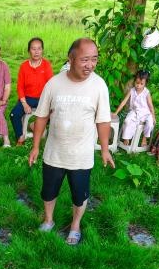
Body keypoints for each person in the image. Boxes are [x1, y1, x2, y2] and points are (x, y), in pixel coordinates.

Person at [28, 37, 115, 246]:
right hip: (54, 153)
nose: (90, 65)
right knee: (49, 191)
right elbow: (41, 117)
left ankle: (75, 225)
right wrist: (36, 146)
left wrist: (104, 150)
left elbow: (103, 120)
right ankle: (48, 220)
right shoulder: (54, 83)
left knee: (79, 195)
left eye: (94, 59)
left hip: (81, 156)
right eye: (85, 60)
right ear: (71, 58)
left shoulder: (99, 85)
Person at [10, 37, 54, 145]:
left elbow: (51, 85)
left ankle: (34, 125)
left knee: (55, 112)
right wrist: (24, 104)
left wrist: (47, 102)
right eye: (33, 49)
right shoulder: (24, 66)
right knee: (13, 114)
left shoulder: (46, 65)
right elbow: (20, 87)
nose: (36, 52)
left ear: (42, 50)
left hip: (43, 98)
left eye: (39, 48)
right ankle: (20, 136)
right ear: (29, 50)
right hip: (27, 98)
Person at [113, 70, 155, 151]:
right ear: (134, 81)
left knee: (150, 123)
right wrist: (116, 112)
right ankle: (127, 137)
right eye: (137, 83)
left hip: (146, 112)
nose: (138, 85)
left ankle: (144, 138)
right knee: (127, 120)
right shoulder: (132, 90)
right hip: (135, 111)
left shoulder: (146, 92)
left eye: (141, 84)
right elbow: (124, 101)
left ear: (145, 84)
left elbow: (150, 105)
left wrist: (153, 116)